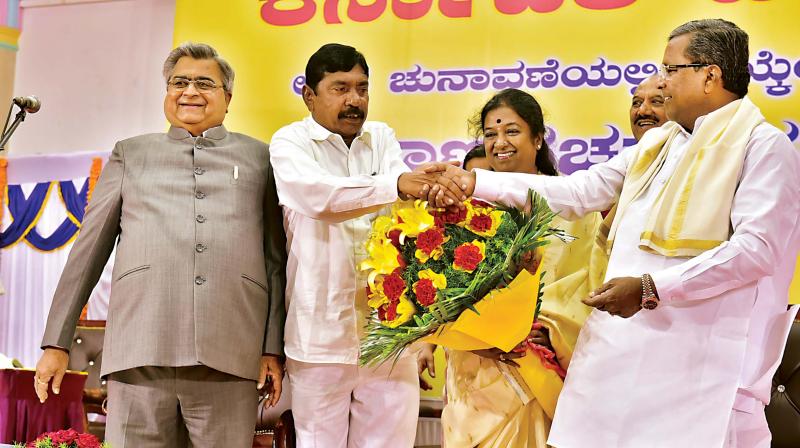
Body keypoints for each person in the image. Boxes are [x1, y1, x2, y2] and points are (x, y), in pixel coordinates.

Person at [425, 19, 800, 447]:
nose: (661, 81)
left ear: (709, 76)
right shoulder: (660, 144)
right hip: (617, 354)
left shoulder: (763, 147)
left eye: (670, 70)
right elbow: (577, 191)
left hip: (697, 364)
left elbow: (755, 252)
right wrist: (475, 182)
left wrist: (649, 288)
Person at [34, 42, 287, 447]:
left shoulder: (261, 158)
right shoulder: (131, 153)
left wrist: (273, 347)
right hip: (141, 350)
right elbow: (87, 253)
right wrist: (56, 342)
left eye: (204, 83)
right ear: (166, 92)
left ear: (228, 97)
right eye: (179, 82)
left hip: (231, 352)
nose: (190, 91)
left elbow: (276, 261)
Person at [268, 43, 450, 448]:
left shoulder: (381, 138)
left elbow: (404, 210)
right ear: (309, 96)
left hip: (387, 335)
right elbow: (320, 199)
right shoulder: (289, 143)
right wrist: (395, 184)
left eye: (362, 88)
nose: (354, 100)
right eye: (340, 88)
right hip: (318, 339)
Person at [419, 89, 606, 447]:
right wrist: (464, 331)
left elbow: (587, 284)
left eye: (511, 131)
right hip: (471, 372)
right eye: (490, 134)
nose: (499, 143)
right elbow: (435, 284)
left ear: (538, 138)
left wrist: (546, 332)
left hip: (534, 368)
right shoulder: (463, 207)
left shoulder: (572, 206)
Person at [630, 74, 668, 141]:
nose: (642, 110)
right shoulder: (627, 152)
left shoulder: (689, 150)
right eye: (637, 103)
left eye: (656, 102)